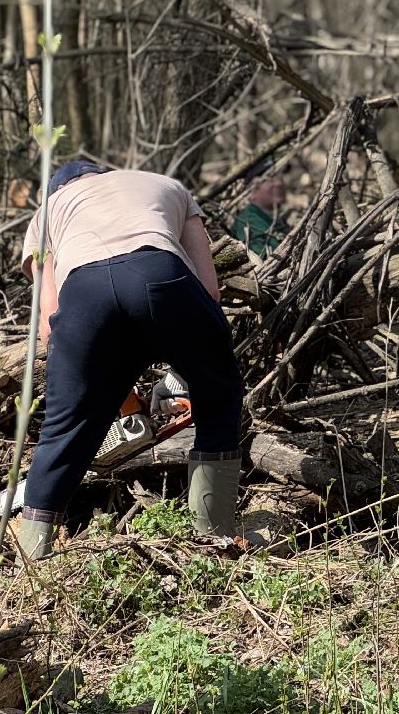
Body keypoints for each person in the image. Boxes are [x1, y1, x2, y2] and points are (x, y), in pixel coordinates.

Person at [15, 161, 246, 559]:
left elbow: (50, 321)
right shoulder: (166, 183)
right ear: (102, 175)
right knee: (219, 397)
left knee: (63, 429)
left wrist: (100, 387)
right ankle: (214, 540)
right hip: (162, 275)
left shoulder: (47, 213)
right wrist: (186, 369)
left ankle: (32, 565)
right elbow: (208, 290)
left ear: (60, 188)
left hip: (84, 297)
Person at [231, 169, 290, 256]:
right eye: (269, 180)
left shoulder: (274, 218)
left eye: (279, 177)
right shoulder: (248, 222)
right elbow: (260, 259)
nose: (278, 183)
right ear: (252, 191)